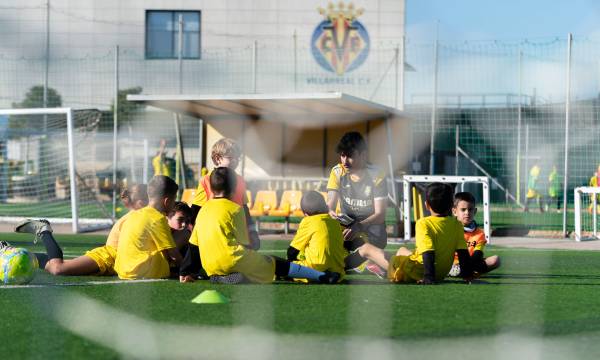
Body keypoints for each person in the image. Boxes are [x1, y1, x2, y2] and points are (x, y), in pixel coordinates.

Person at [179, 167, 340, 284]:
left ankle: (221, 277)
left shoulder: (203, 210)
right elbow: (245, 243)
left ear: (211, 190)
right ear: (235, 188)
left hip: (210, 266)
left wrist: (185, 271)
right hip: (233, 261)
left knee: (253, 267)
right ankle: (322, 276)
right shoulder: (235, 209)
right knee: (274, 262)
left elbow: (194, 246)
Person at [14, 184, 148, 276]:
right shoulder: (137, 217)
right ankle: (44, 229)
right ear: (142, 202)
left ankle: (11, 252)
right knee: (58, 268)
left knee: (52, 265)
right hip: (108, 257)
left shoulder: (145, 216)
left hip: (117, 261)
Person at [354, 183, 473, 284]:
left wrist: (428, 278)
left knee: (366, 249)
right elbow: (463, 252)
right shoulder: (456, 224)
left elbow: (428, 252)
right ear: (451, 206)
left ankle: (338, 268)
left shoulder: (423, 223)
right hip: (441, 273)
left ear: (426, 205)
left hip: (419, 272)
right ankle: (382, 268)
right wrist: (467, 276)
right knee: (402, 250)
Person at [326, 132, 388, 273]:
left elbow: (380, 214)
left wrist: (358, 226)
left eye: (350, 156)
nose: (345, 161)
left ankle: (356, 261)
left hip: (370, 224)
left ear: (363, 155)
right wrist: (330, 212)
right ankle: (365, 261)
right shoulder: (337, 172)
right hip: (346, 223)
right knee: (323, 224)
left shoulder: (377, 174)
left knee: (378, 233)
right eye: (342, 155)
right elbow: (330, 204)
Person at [190, 137, 259, 249]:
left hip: (236, 233)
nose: (236, 161)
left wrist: (252, 231)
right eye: (232, 158)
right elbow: (196, 210)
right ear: (217, 159)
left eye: (238, 158)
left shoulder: (240, 180)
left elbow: (244, 208)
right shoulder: (206, 180)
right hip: (213, 232)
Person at [113, 175, 182, 280]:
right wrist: (188, 270)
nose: (173, 205)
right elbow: (174, 255)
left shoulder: (134, 214)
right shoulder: (157, 218)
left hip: (122, 271)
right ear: (166, 201)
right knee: (183, 234)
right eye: (174, 201)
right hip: (141, 272)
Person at [286, 191, 347, 282]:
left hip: (315, 268)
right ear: (325, 207)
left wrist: (291, 262)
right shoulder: (335, 222)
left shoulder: (308, 221)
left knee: (279, 266)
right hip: (338, 271)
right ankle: (329, 274)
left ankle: (320, 276)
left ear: (305, 214)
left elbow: (292, 251)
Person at [449, 192, 500, 277]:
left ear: (475, 211)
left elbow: (477, 254)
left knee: (495, 260)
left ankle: (462, 271)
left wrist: (466, 266)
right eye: (463, 209)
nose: (467, 213)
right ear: (454, 211)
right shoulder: (448, 229)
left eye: (470, 209)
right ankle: (453, 270)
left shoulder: (479, 233)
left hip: (470, 263)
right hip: (449, 264)